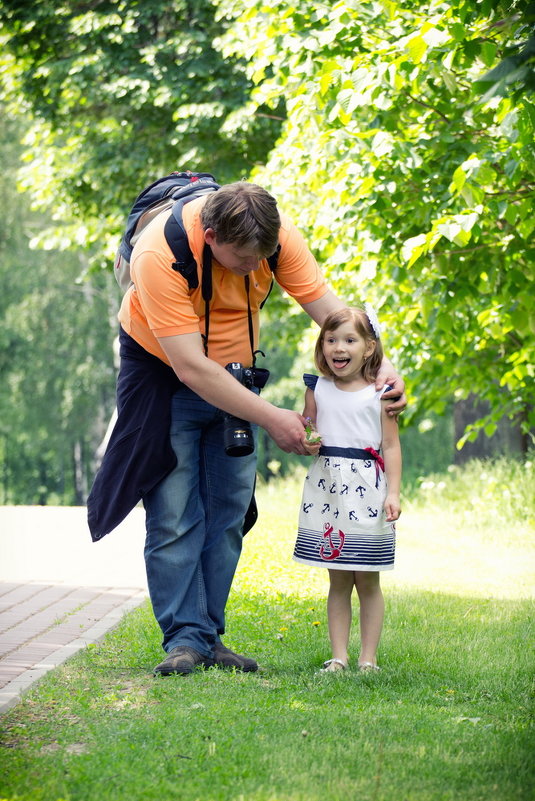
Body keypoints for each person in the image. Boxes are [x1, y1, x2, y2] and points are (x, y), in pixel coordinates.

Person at [89, 181, 406, 676]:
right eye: (241, 261)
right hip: (163, 373)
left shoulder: (275, 240)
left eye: (261, 260)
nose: (253, 270)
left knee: (230, 509)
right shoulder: (160, 254)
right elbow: (192, 369)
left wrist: (384, 369)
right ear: (211, 236)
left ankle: (209, 637)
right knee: (175, 511)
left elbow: (333, 316)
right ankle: (184, 638)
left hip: (236, 377)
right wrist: (274, 417)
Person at [293, 304, 402, 673]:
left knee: (367, 580)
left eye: (350, 340)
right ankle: (338, 656)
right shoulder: (318, 388)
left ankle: (367, 659)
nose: (339, 348)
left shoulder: (380, 394)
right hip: (328, 493)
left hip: (367, 493)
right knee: (338, 579)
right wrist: (308, 436)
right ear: (322, 345)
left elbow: (391, 446)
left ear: (369, 347)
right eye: (331, 339)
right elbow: (309, 427)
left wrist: (394, 493)